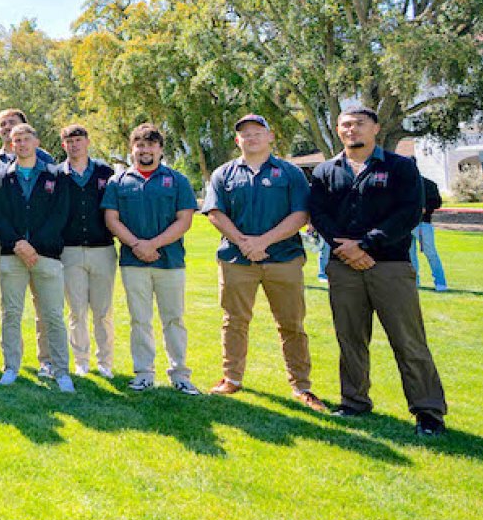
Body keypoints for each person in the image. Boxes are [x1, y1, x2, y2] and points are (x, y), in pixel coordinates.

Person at [309, 107, 447, 435]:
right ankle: (354, 402)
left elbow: (409, 212)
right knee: (350, 338)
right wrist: (345, 248)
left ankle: (428, 412)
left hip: (390, 267)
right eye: (345, 125)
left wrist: (365, 246)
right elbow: (318, 212)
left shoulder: (399, 167)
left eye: (359, 124)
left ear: (375, 129)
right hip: (343, 268)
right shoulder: (326, 171)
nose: (351, 129)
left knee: (408, 340)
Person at [201, 115, 327, 411]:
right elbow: (215, 212)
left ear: (271, 137)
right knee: (234, 321)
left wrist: (263, 242)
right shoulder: (224, 173)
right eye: (246, 134)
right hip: (236, 259)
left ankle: (301, 386)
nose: (252, 138)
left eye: (258, 133)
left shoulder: (290, 173)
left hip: (283, 259)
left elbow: (300, 214)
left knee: (291, 323)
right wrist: (245, 243)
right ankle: (231, 378)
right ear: (238, 140)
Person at [101, 123, 201, 395]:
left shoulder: (177, 180)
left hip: (169, 261)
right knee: (139, 320)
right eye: (139, 145)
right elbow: (112, 219)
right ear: (132, 149)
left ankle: (180, 374)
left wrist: (153, 244)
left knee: (174, 319)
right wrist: (136, 245)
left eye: (150, 145)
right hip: (133, 262)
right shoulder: (118, 182)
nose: (144, 150)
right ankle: (144, 373)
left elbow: (185, 220)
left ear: (160, 149)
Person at [0, 123, 74, 392]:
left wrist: (33, 245)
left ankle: (60, 371)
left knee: (52, 315)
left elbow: (60, 215)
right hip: (12, 255)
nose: (21, 144)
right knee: (11, 313)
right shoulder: (1, 178)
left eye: (26, 139)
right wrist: (17, 244)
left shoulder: (56, 176)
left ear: (37, 142)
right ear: (11, 145)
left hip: (46, 255)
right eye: (16, 140)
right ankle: (11, 367)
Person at [57, 124, 118, 378]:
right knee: (76, 310)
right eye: (69, 141)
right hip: (69, 250)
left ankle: (105, 362)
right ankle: (81, 361)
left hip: (102, 248)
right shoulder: (57, 174)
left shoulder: (106, 172)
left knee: (103, 310)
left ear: (87, 142)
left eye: (79, 139)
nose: (74, 145)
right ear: (64, 145)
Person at [413, 177, 449, 291]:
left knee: (431, 253)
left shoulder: (428, 184)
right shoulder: (403, 182)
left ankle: (440, 282)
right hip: (406, 224)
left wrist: (426, 208)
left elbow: (437, 202)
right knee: (410, 255)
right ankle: (414, 282)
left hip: (423, 223)